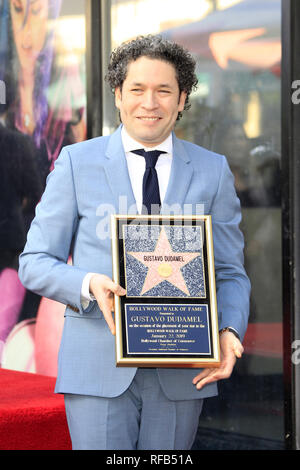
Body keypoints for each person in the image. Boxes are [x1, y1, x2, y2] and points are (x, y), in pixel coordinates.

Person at [18, 35, 250, 450]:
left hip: (183, 370)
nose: (150, 102)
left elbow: (230, 271)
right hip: (96, 364)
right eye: (137, 89)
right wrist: (89, 283)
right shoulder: (76, 163)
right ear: (118, 95)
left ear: (182, 99)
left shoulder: (213, 171)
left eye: (164, 90)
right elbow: (35, 261)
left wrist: (230, 330)